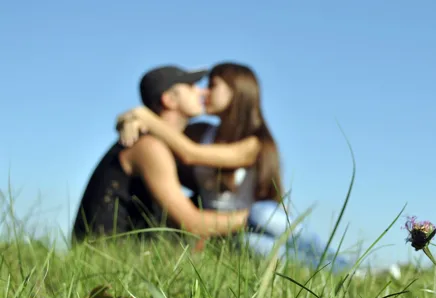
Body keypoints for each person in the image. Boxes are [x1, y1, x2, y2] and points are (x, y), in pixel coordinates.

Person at [118, 62, 354, 272]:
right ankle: (327, 272)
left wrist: (145, 116)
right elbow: (174, 138)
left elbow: (190, 154)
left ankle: (345, 268)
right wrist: (129, 120)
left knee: (263, 214)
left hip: (259, 221)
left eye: (213, 86)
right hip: (227, 231)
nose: (204, 92)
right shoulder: (201, 132)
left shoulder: (253, 144)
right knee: (258, 248)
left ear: (237, 91)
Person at [71, 65, 261, 245]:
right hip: (107, 256)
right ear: (169, 99)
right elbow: (193, 224)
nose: (202, 91)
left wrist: (137, 118)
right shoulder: (149, 147)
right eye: (191, 86)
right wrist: (255, 215)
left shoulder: (162, 142)